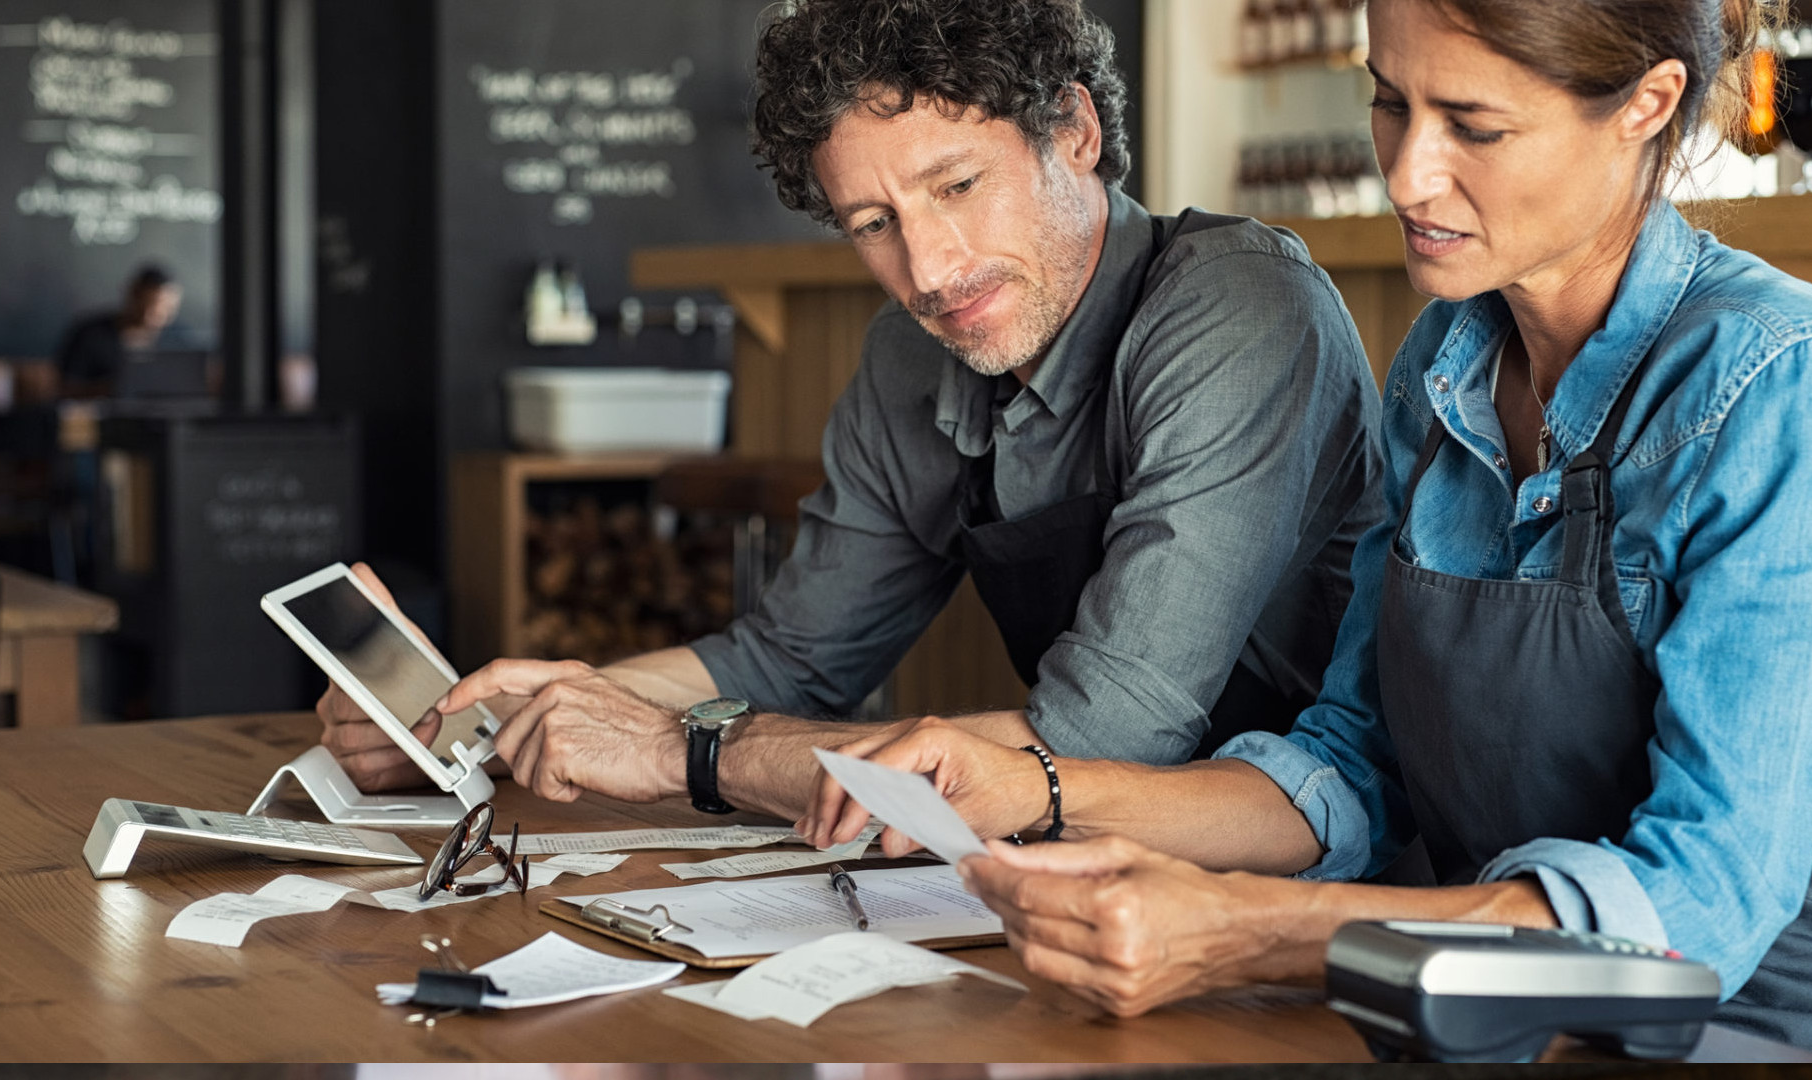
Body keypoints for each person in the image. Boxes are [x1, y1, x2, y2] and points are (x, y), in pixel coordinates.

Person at [802, 0, 1812, 1060]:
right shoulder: (1443, 363)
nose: (1408, 171)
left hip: (1745, 1035)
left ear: (1647, 104)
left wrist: (1247, 929)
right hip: (1462, 1014)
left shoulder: (1779, 379)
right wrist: (1036, 787)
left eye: (1474, 125)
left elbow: (1706, 900)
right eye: (1391, 103)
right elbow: (1354, 764)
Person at [319, 0, 1382, 822]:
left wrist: (683, 753)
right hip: (1080, 873)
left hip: (1312, 880)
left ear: (1076, 129)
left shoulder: (1241, 308)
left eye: (957, 187)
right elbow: (789, 660)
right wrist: (495, 717)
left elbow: (1108, 738)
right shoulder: (910, 357)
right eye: (872, 222)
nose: (928, 270)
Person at [53, 264, 183, 398]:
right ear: (133, 295)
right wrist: (112, 388)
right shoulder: (90, 335)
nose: (157, 316)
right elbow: (63, 388)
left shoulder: (180, 339)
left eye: (167, 309)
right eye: (150, 306)